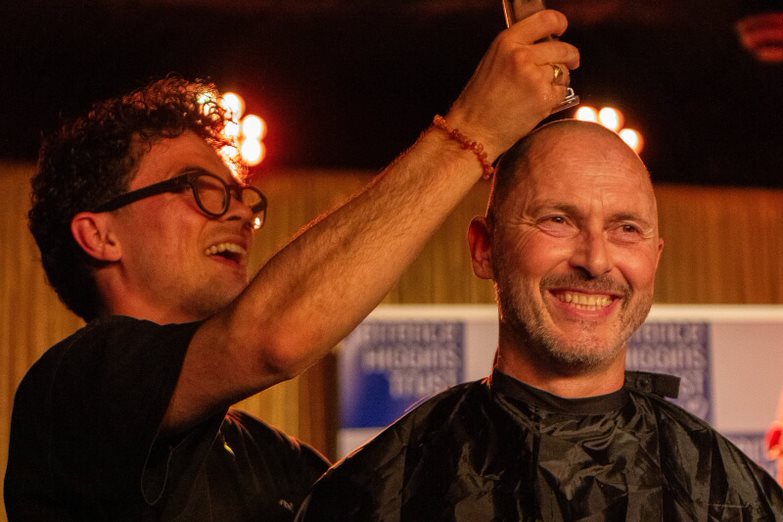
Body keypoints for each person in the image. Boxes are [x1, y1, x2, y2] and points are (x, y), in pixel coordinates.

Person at [3, 9, 580, 521]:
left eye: (241, 196)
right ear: (99, 235)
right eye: (201, 189)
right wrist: (474, 130)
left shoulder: (276, 460)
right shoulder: (72, 388)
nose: (237, 214)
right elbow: (275, 336)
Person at [296, 120, 783, 520]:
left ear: (655, 258)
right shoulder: (377, 491)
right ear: (484, 249)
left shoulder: (734, 496)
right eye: (558, 220)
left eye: (626, 228)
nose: (595, 259)